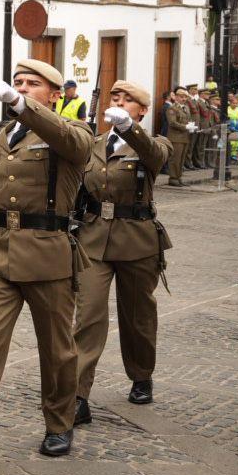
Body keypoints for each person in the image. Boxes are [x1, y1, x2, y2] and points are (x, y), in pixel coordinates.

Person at [0, 58, 94, 474]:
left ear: (55, 94)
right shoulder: (0, 137)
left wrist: (22, 103)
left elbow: (74, 145)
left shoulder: (72, 132)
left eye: (32, 83)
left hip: (47, 254)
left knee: (56, 350)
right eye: (18, 82)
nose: (21, 87)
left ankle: (59, 421)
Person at [72, 81, 170, 417]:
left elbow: (154, 156)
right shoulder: (95, 143)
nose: (120, 102)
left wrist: (130, 129)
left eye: (129, 100)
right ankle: (77, 393)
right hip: (94, 239)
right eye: (116, 98)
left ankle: (142, 376)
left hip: (137, 240)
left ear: (142, 110)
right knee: (88, 315)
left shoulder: (154, 144)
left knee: (137, 315)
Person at [165, 88, 192, 185]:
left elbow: (186, 120)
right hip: (175, 137)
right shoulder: (172, 108)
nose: (184, 99)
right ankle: (173, 178)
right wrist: (186, 127)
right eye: (181, 97)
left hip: (184, 137)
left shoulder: (186, 108)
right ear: (176, 97)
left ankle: (178, 177)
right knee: (175, 159)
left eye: (185, 97)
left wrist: (191, 126)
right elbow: (172, 123)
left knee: (181, 159)